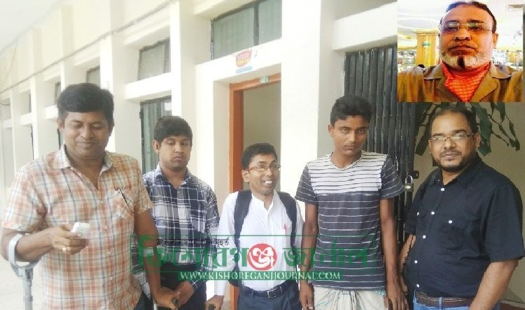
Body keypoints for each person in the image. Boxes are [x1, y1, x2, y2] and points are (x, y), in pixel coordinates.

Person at [0, 83, 178, 309]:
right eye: (77, 125)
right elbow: (6, 244)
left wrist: (156, 290)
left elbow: (147, 236)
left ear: (110, 127)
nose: (86, 134)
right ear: (61, 125)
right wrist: (48, 238)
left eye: (96, 126)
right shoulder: (34, 176)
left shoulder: (128, 167)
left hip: (129, 302)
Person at [399, 106, 524, 310]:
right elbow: (414, 235)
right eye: (439, 138)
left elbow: (504, 263)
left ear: (475, 140)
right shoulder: (431, 183)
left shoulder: (498, 190)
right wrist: (398, 278)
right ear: (430, 146)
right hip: (417, 301)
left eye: (457, 135)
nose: (448, 145)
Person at [296, 95, 407, 310]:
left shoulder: (381, 165)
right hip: (326, 279)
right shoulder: (313, 171)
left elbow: (387, 223)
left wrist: (392, 280)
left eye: (361, 130)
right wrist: (303, 280)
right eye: (345, 130)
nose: (353, 138)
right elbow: (310, 226)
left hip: (370, 280)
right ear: (331, 129)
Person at [135, 116, 220, 310]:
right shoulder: (142, 187)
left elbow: (215, 244)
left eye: (185, 143)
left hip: (194, 284)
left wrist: (193, 283)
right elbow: (133, 245)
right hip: (151, 280)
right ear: (156, 146)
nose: (179, 149)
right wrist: (153, 291)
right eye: (171, 143)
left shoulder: (203, 192)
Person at [205, 143, 304, 310]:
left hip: (288, 297)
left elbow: (301, 248)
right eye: (261, 166)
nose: (269, 172)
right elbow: (226, 251)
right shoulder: (235, 204)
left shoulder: (289, 204)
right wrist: (219, 294)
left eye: (274, 166)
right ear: (246, 175)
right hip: (251, 300)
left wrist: (305, 283)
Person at [398, 1, 523, 102]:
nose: (462, 35)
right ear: (439, 39)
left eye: (476, 27)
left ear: (494, 40)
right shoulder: (408, 83)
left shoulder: (517, 84)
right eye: (450, 28)